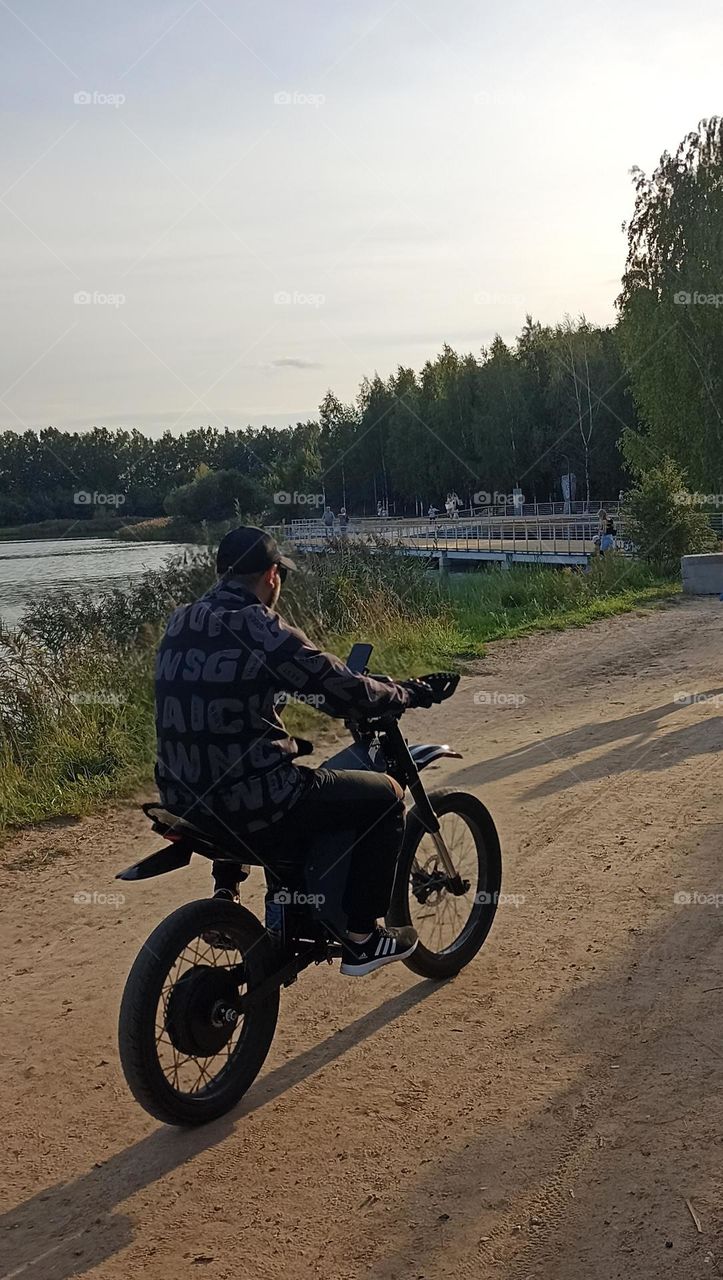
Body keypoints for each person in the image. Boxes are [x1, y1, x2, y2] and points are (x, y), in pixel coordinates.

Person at [154, 526, 435, 976]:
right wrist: (406, 693)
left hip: (179, 798)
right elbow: (338, 686)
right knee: (385, 796)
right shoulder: (259, 625)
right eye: (278, 575)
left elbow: (218, 694)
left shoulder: (180, 619)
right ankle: (363, 938)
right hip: (255, 803)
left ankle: (226, 894)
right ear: (271, 575)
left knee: (236, 773)